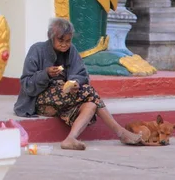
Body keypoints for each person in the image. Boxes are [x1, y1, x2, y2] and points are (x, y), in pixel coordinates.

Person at [13, 17, 143, 150]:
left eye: (68, 41)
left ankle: (70, 138)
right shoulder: (37, 49)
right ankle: (120, 132)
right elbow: (26, 83)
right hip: (40, 100)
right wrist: (45, 73)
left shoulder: (72, 51)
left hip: (65, 99)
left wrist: (75, 83)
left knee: (91, 105)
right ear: (51, 37)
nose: (64, 44)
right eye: (60, 40)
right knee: (89, 91)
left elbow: (82, 75)